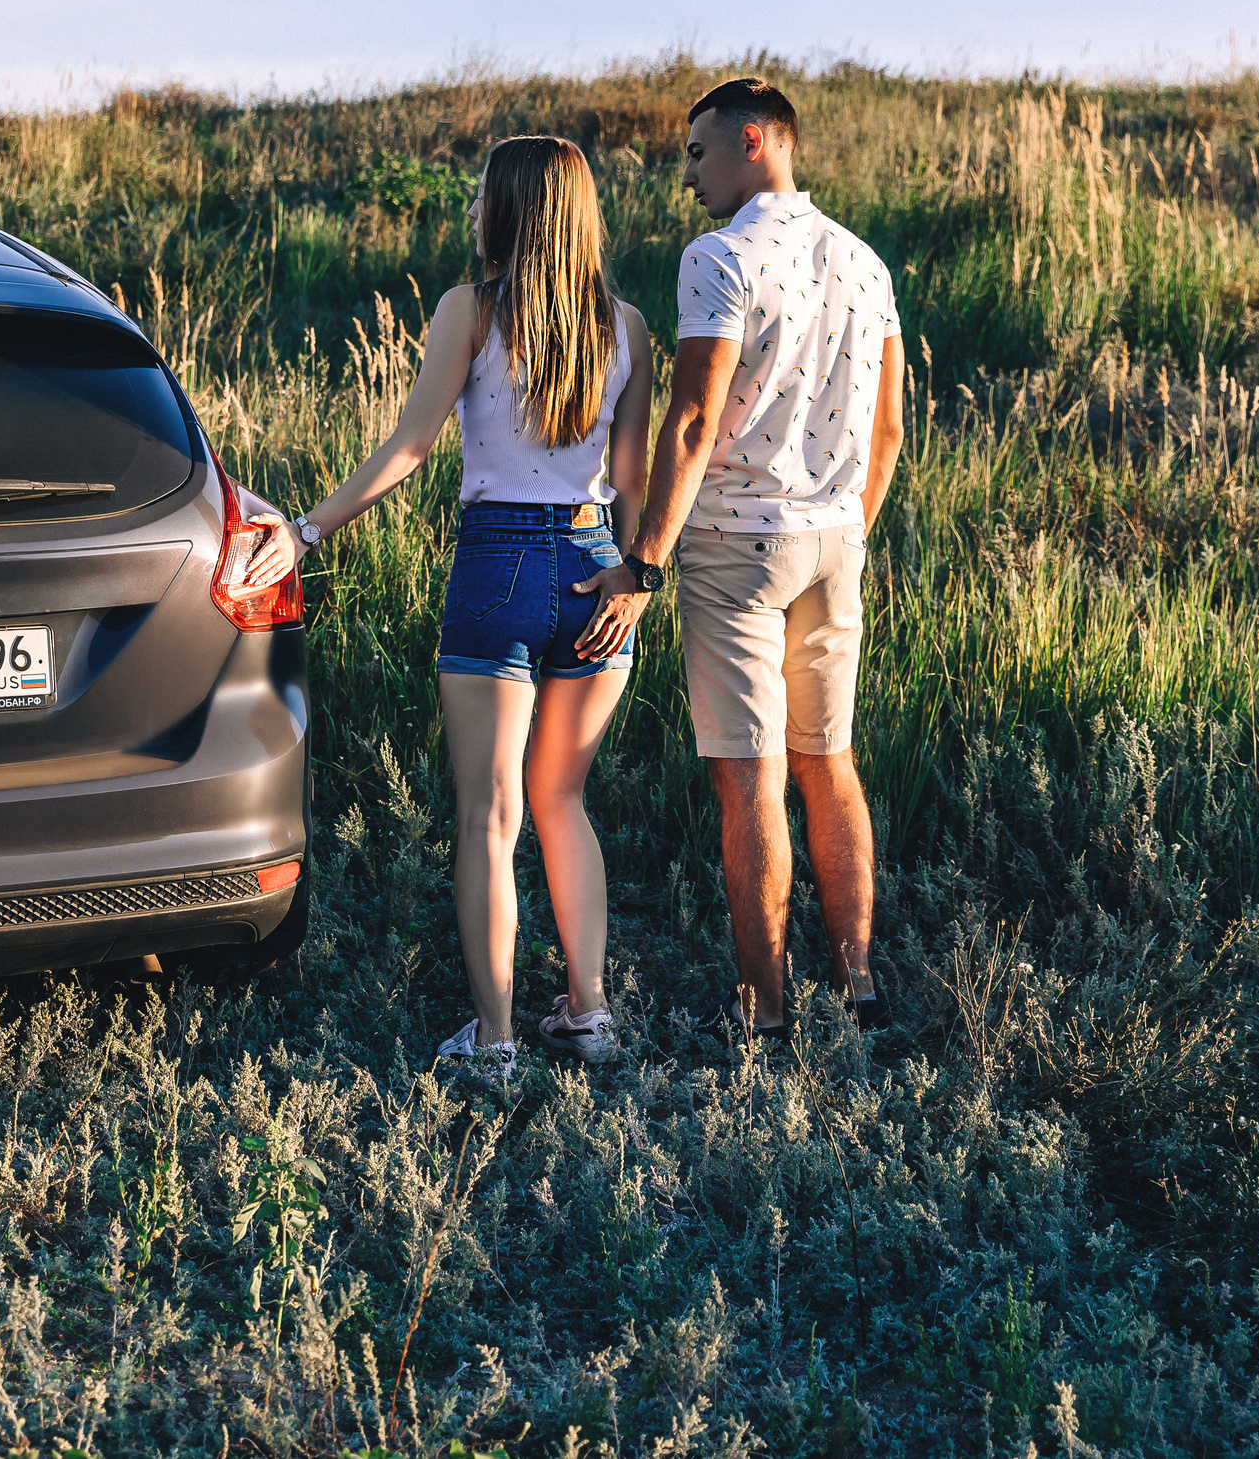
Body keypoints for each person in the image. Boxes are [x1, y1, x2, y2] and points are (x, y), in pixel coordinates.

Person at [246, 136, 652, 1080]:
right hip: (598, 565)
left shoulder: (470, 309)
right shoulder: (627, 326)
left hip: (497, 565)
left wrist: (306, 529)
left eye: (481, 197)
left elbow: (412, 444)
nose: (472, 211)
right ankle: (588, 1014)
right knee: (563, 799)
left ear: (511, 210)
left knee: (488, 816)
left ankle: (496, 1039)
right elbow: (632, 478)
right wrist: (637, 577)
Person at [572, 78, 906, 1039]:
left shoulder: (718, 257)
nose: (688, 177)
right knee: (830, 762)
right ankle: (857, 984)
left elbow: (691, 419)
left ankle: (763, 1007)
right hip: (835, 544)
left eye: (696, 153)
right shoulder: (866, 262)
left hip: (734, 551)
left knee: (751, 778)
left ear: (753, 141)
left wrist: (644, 564)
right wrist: (848, 529)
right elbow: (888, 431)